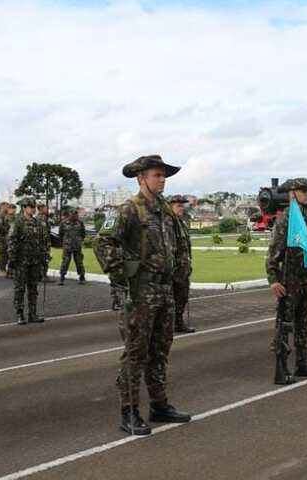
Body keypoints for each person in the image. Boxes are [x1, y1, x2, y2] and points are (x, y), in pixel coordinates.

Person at [94, 154, 191, 436]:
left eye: (164, 175)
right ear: (141, 178)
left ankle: (159, 405)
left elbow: (178, 244)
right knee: (136, 353)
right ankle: (130, 411)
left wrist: (179, 275)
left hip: (164, 290)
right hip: (140, 293)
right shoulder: (128, 209)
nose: (162, 180)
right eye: (157, 175)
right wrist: (123, 276)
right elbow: (103, 241)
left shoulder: (165, 210)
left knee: (160, 350)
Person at [266, 178, 307, 385]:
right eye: (302, 191)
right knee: (284, 324)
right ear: (292, 194)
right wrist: (273, 279)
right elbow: (274, 252)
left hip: (304, 278)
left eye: (306, 190)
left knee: (302, 323)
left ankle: (302, 363)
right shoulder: (286, 220)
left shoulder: (306, 218)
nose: (306, 194)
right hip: (289, 280)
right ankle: (281, 368)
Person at [8, 197, 47, 325]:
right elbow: (12, 241)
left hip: (35, 261)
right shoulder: (18, 222)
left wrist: (44, 256)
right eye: (30, 207)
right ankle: (20, 314)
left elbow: (42, 240)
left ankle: (32, 314)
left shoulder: (38, 223)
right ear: (24, 208)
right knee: (20, 288)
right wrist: (12, 259)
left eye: (34, 206)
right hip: (21, 261)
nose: (33, 209)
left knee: (33, 288)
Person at [167, 195, 195, 333]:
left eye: (183, 205)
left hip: (183, 268)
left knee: (182, 297)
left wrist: (188, 263)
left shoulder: (181, 223)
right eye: (178, 206)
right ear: (170, 207)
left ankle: (178, 322)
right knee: (170, 299)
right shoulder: (167, 224)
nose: (181, 208)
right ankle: (168, 324)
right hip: (173, 269)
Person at [59, 207, 87, 285]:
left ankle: (82, 277)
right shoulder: (63, 223)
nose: (75, 216)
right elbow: (60, 234)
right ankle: (62, 277)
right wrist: (65, 242)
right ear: (70, 215)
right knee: (65, 262)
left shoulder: (80, 223)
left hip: (77, 246)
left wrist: (79, 241)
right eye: (73, 214)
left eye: (76, 214)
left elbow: (83, 234)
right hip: (67, 247)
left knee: (79, 262)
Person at [0, 203, 13, 278]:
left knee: (10, 254)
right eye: (6, 206)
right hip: (2, 238)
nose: (8, 208)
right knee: (3, 254)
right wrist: (8, 229)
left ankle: (10, 270)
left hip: (9, 237)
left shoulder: (9, 215)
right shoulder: (0, 215)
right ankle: (2, 269)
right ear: (2, 207)